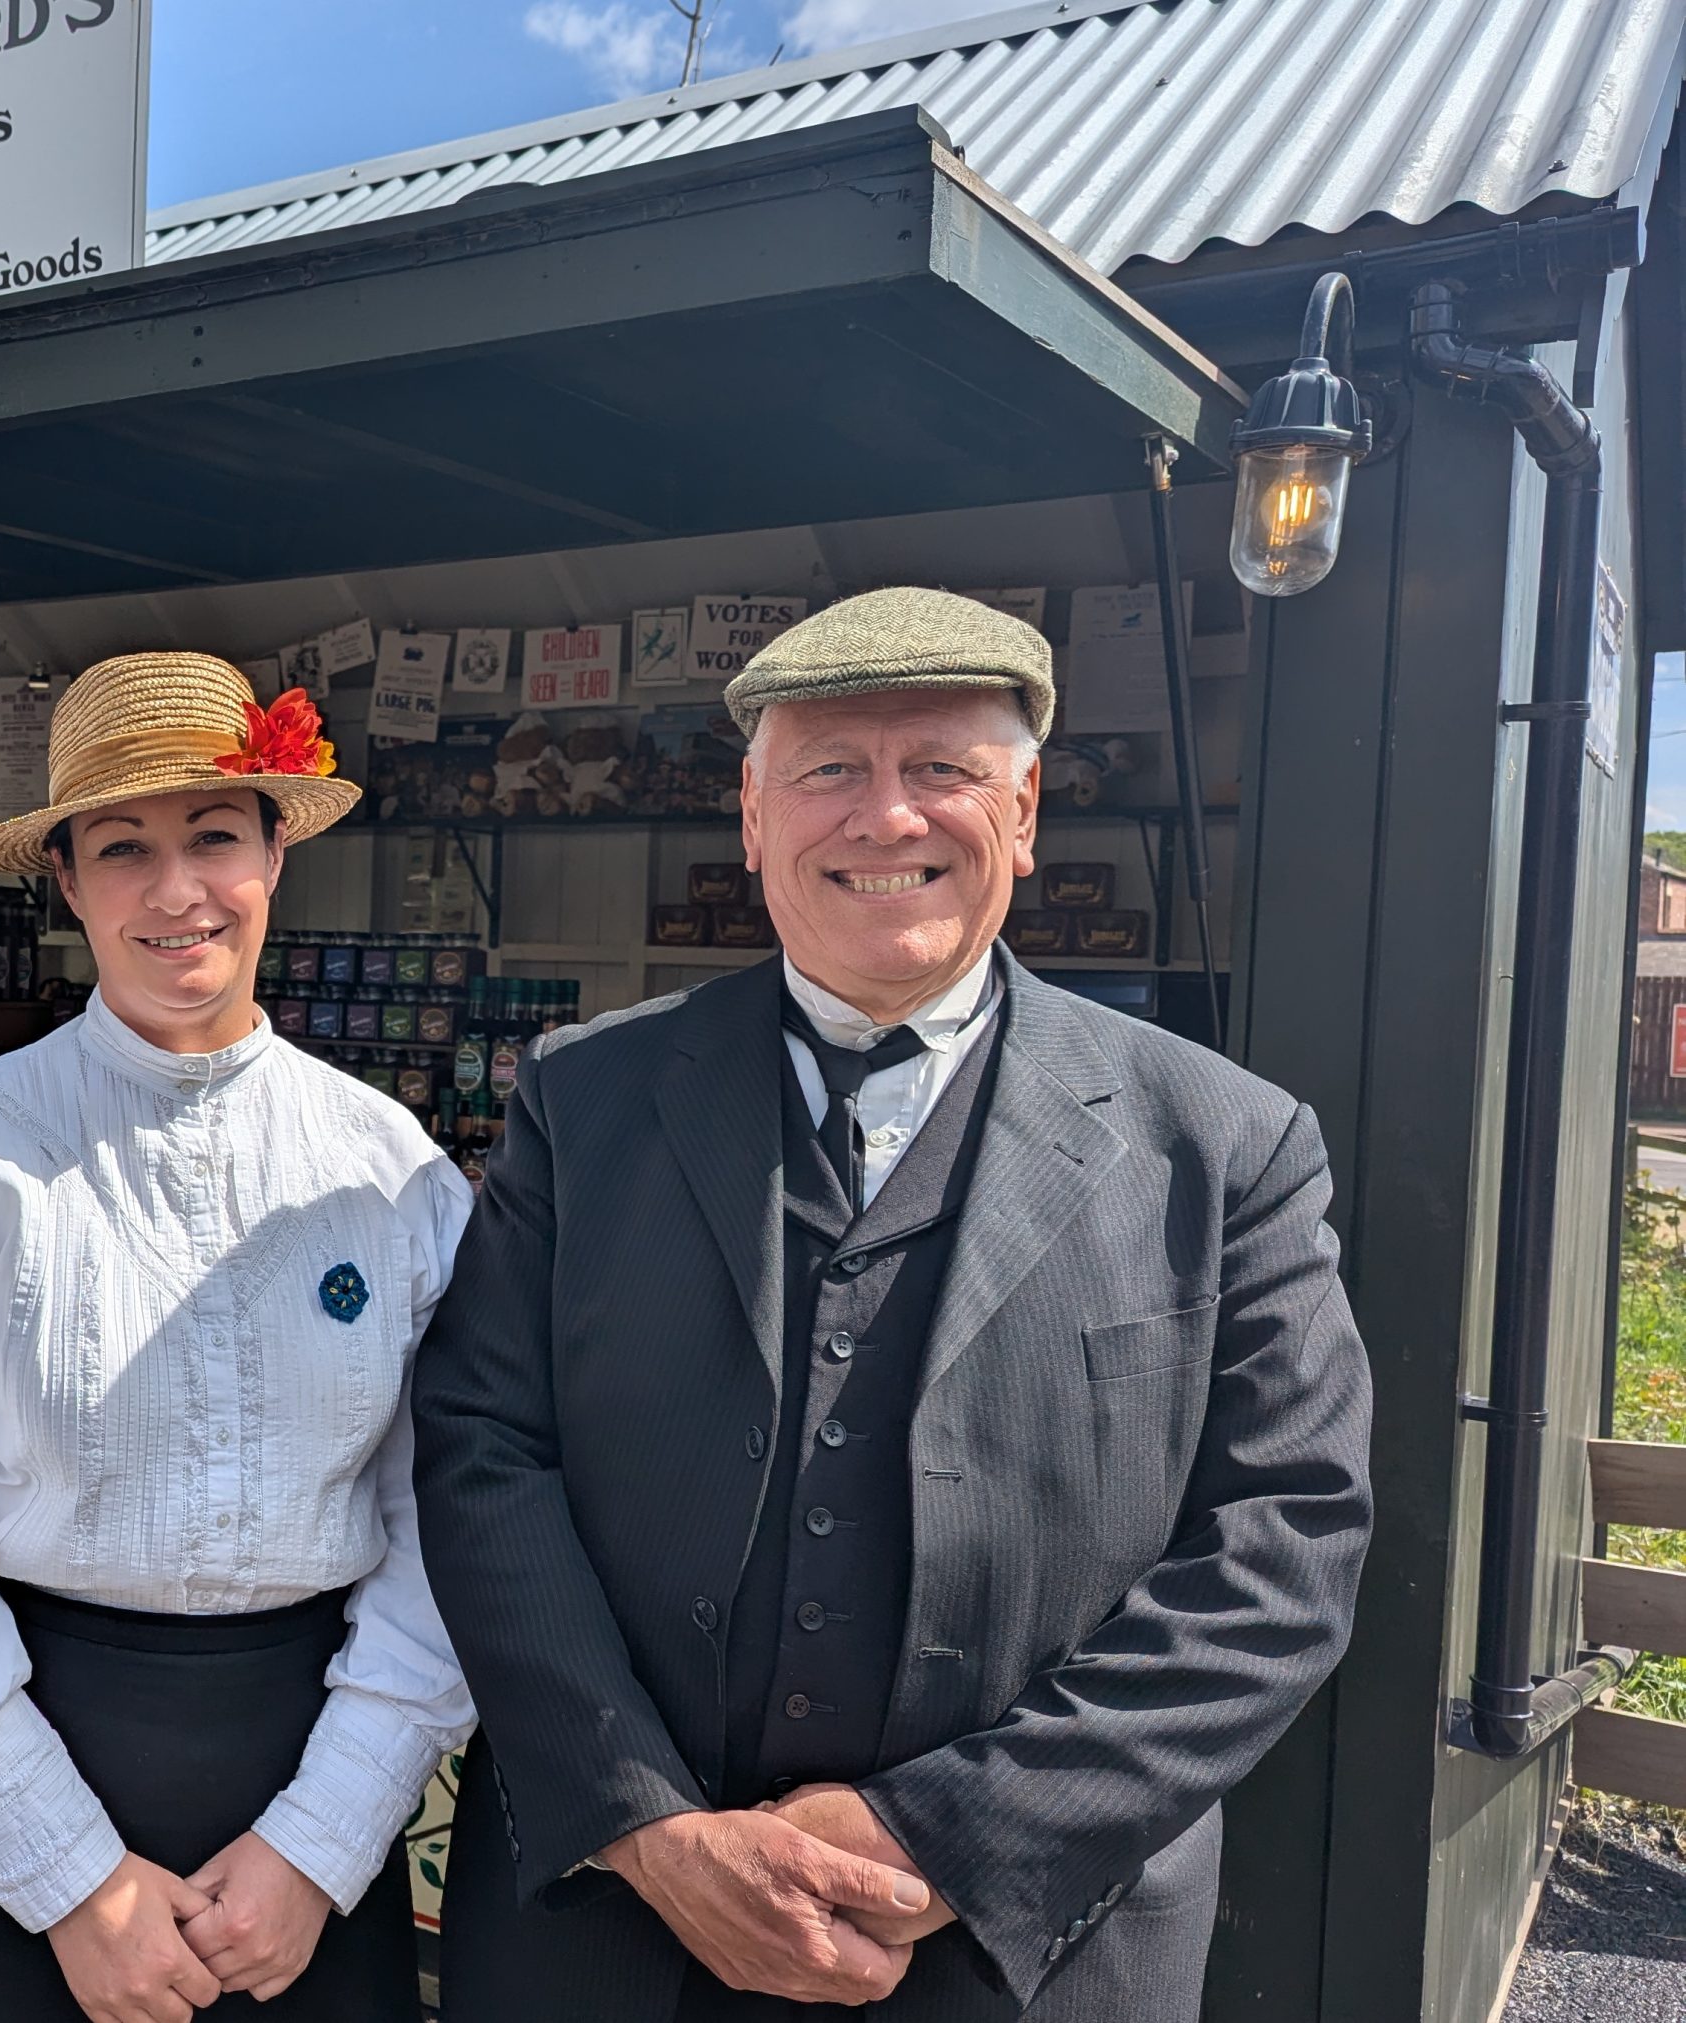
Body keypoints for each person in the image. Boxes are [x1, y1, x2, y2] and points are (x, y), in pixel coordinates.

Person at [412, 588, 1374, 2019]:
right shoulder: (581, 1095)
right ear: (749, 818)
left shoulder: (1223, 1142)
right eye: (827, 772)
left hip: (1028, 1951)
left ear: (1026, 809)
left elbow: (1281, 1545)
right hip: (617, 1938)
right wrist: (645, 1823)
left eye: (941, 768)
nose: (886, 818)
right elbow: (482, 1452)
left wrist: (946, 1839)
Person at [0, 651, 475, 2023]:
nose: (175, 890)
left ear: (275, 854)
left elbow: (442, 1525)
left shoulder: (390, 1173)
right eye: (123, 848)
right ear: (68, 883)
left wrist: (320, 1845)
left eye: (213, 836)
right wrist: (72, 1879)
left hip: (294, 1788)